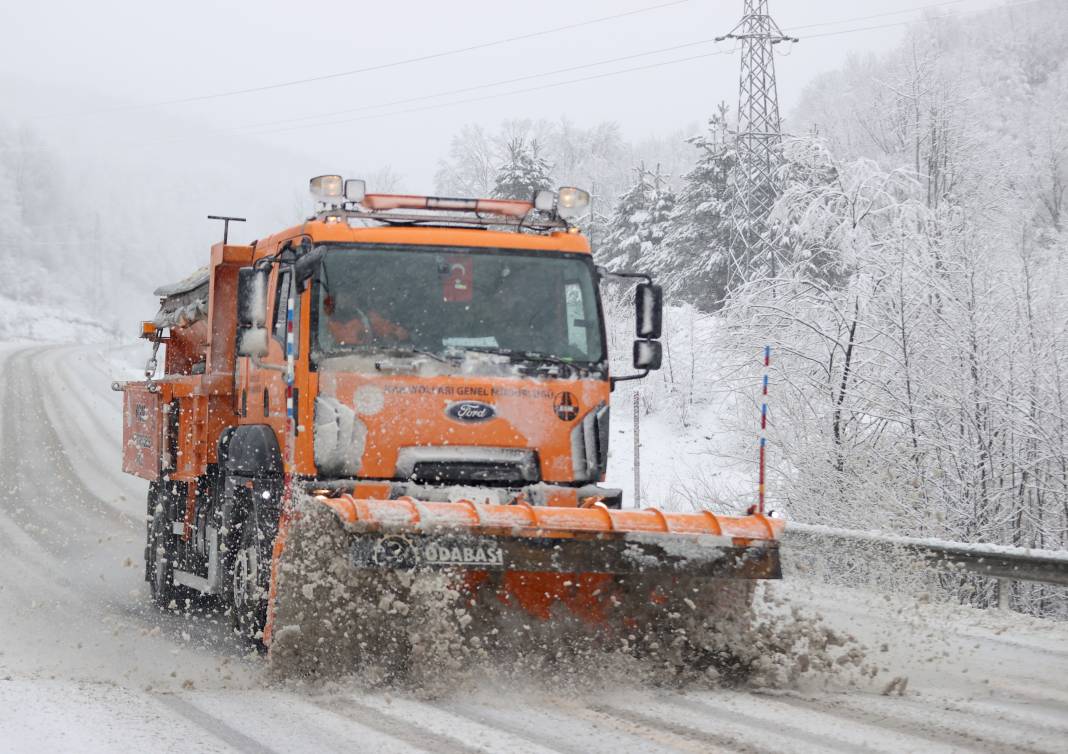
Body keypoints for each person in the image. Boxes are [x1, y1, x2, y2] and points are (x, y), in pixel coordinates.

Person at [323, 293, 409, 347]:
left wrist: (395, 332)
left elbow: (381, 326)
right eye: (343, 296)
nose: (347, 299)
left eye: (350, 295)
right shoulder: (329, 321)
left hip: (368, 359)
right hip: (344, 361)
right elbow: (347, 341)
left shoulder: (365, 316)